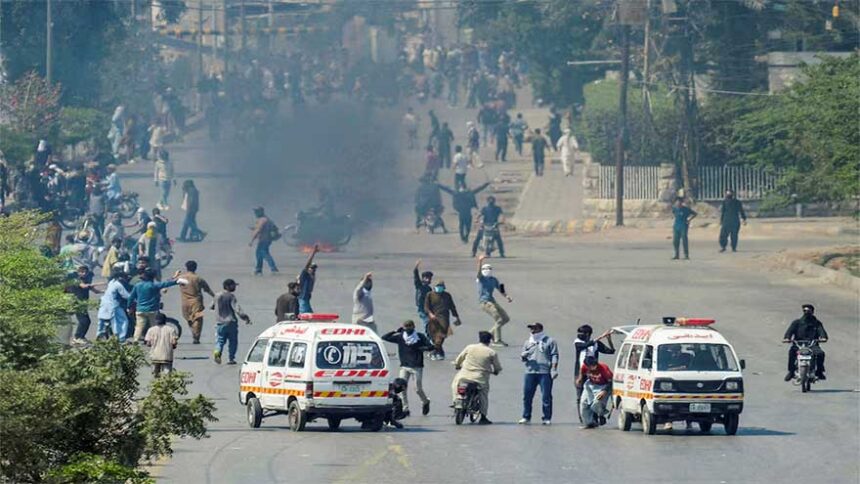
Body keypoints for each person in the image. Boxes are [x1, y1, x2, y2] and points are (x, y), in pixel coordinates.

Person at [381, 321, 435, 416]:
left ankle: (425, 401)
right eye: (406, 327)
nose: (408, 329)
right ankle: (405, 408)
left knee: (417, 389)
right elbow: (384, 337)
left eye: (410, 326)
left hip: (417, 366)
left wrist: (423, 349)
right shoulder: (400, 337)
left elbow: (431, 347)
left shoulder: (420, 337)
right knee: (401, 388)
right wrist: (395, 331)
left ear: (413, 326)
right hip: (404, 366)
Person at [451, 331, 502, 425]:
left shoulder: (470, 347)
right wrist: (496, 371)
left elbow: (459, 359)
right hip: (480, 378)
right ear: (489, 341)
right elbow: (497, 367)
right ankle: (483, 417)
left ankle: (456, 402)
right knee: (483, 395)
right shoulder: (491, 352)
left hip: (464, 375)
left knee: (455, 385)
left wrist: (457, 365)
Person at [518, 323, 559, 425]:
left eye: (534, 328)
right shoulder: (528, 342)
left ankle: (546, 417)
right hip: (530, 371)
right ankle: (526, 416)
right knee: (527, 395)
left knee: (546, 396)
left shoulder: (549, 341)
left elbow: (554, 355)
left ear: (540, 329)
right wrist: (523, 356)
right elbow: (523, 357)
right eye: (531, 329)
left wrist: (554, 369)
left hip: (544, 372)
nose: (532, 331)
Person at [128, 268, 183, 342]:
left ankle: (136, 340)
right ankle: (154, 340)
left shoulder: (137, 285)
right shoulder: (154, 285)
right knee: (154, 326)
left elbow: (131, 297)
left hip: (140, 309)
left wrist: (129, 307)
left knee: (139, 327)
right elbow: (166, 284)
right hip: (152, 309)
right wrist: (176, 282)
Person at [573, 324, 615, 414]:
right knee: (580, 395)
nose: (579, 335)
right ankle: (583, 417)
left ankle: (596, 416)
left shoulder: (596, 344)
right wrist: (601, 337)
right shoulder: (577, 342)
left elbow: (611, 351)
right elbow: (585, 345)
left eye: (581, 333)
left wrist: (609, 339)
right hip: (580, 373)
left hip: (593, 373)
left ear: (588, 334)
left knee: (594, 395)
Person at [783, 304, 828, 381]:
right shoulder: (797, 322)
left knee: (820, 354)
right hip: (798, 345)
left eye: (808, 311)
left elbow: (821, 332)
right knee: (792, 353)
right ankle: (791, 372)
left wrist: (823, 338)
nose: (806, 312)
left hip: (812, 345)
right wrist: (787, 338)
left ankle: (819, 372)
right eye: (805, 311)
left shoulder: (817, 323)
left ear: (812, 312)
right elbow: (789, 331)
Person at [212, 278, 252, 365]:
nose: (235, 287)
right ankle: (231, 358)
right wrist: (246, 318)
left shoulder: (217, 295)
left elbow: (211, 306)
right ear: (227, 286)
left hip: (220, 323)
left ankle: (217, 353)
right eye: (233, 285)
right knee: (233, 342)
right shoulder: (231, 296)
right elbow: (237, 310)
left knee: (220, 341)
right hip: (231, 323)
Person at [475, 256, 512, 347]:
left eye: (489, 269)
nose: (488, 270)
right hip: (485, 302)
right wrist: (480, 261)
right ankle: (497, 340)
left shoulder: (494, 279)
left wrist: (507, 296)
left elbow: (500, 289)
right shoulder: (481, 279)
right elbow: (478, 272)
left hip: (492, 301)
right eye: (486, 269)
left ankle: (489, 335)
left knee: (505, 318)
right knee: (499, 319)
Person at [177, 260, 215, 344]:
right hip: (197, 301)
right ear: (195, 268)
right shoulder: (198, 278)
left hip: (185, 302)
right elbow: (207, 289)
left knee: (188, 318)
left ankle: (194, 333)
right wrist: (215, 296)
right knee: (198, 319)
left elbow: (170, 282)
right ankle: (196, 336)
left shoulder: (181, 278)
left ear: (186, 267)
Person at [424, 279, 461, 360]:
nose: (439, 288)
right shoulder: (429, 295)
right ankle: (439, 352)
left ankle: (436, 352)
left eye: (441, 286)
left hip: (444, 319)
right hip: (433, 319)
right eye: (438, 286)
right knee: (433, 336)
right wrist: (430, 314)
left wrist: (457, 317)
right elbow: (426, 307)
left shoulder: (447, 295)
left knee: (441, 336)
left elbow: (452, 307)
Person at [66, 265, 102, 345]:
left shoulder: (85, 280)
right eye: (82, 272)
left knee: (87, 321)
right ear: (78, 272)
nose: (84, 273)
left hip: (83, 304)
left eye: (85, 272)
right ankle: (77, 337)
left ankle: (81, 336)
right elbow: (84, 286)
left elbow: (95, 291)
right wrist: (96, 284)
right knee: (84, 321)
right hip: (77, 303)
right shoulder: (76, 280)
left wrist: (105, 291)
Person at [576, 356, 613, 429]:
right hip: (590, 385)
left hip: (602, 386)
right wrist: (579, 379)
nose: (591, 368)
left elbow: (611, 382)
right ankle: (589, 423)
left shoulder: (604, 368)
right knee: (583, 403)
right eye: (589, 367)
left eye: (593, 366)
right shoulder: (585, 367)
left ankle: (601, 414)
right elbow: (582, 373)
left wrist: (604, 391)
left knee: (596, 403)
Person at [96, 269, 131, 342]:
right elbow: (126, 295)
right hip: (113, 305)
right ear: (120, 277)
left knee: (102, 320)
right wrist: (135, 298)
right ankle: (120, 337)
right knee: (122, 320)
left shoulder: (111, 282)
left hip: (104, 303)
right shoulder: (118, 285)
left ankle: (99, 334)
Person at [249, 206, 279, 275]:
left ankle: (273, 269)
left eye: (256, 212)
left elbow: (258, 230)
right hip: (267, 240)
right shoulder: (267, 219)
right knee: (259, 254)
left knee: (264, 254)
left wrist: (252, 240)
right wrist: (254, 228)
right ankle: (258, 269)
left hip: (263, 240)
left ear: (260, 212)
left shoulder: (261, 220)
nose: (255, 213)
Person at [413, 260, 433, 333]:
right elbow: (416, 276)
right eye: (426, 278)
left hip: (428, 308)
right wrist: (416, 267)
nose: (428, 279)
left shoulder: (429, 288)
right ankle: (427, 336)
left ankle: (429, 335)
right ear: (423, 278)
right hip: (422, 308)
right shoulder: (419, 285)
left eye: (429, 278)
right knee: (426, 322)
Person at [297, 244, 319, 313]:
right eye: (311, 268)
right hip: (302, 300)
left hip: (306, 300)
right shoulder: (305, 275)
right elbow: (307, 264)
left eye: (314, 268)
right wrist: (313, 253)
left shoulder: (311, 277)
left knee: (311, 316)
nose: (313, 270)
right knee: (305, 316)